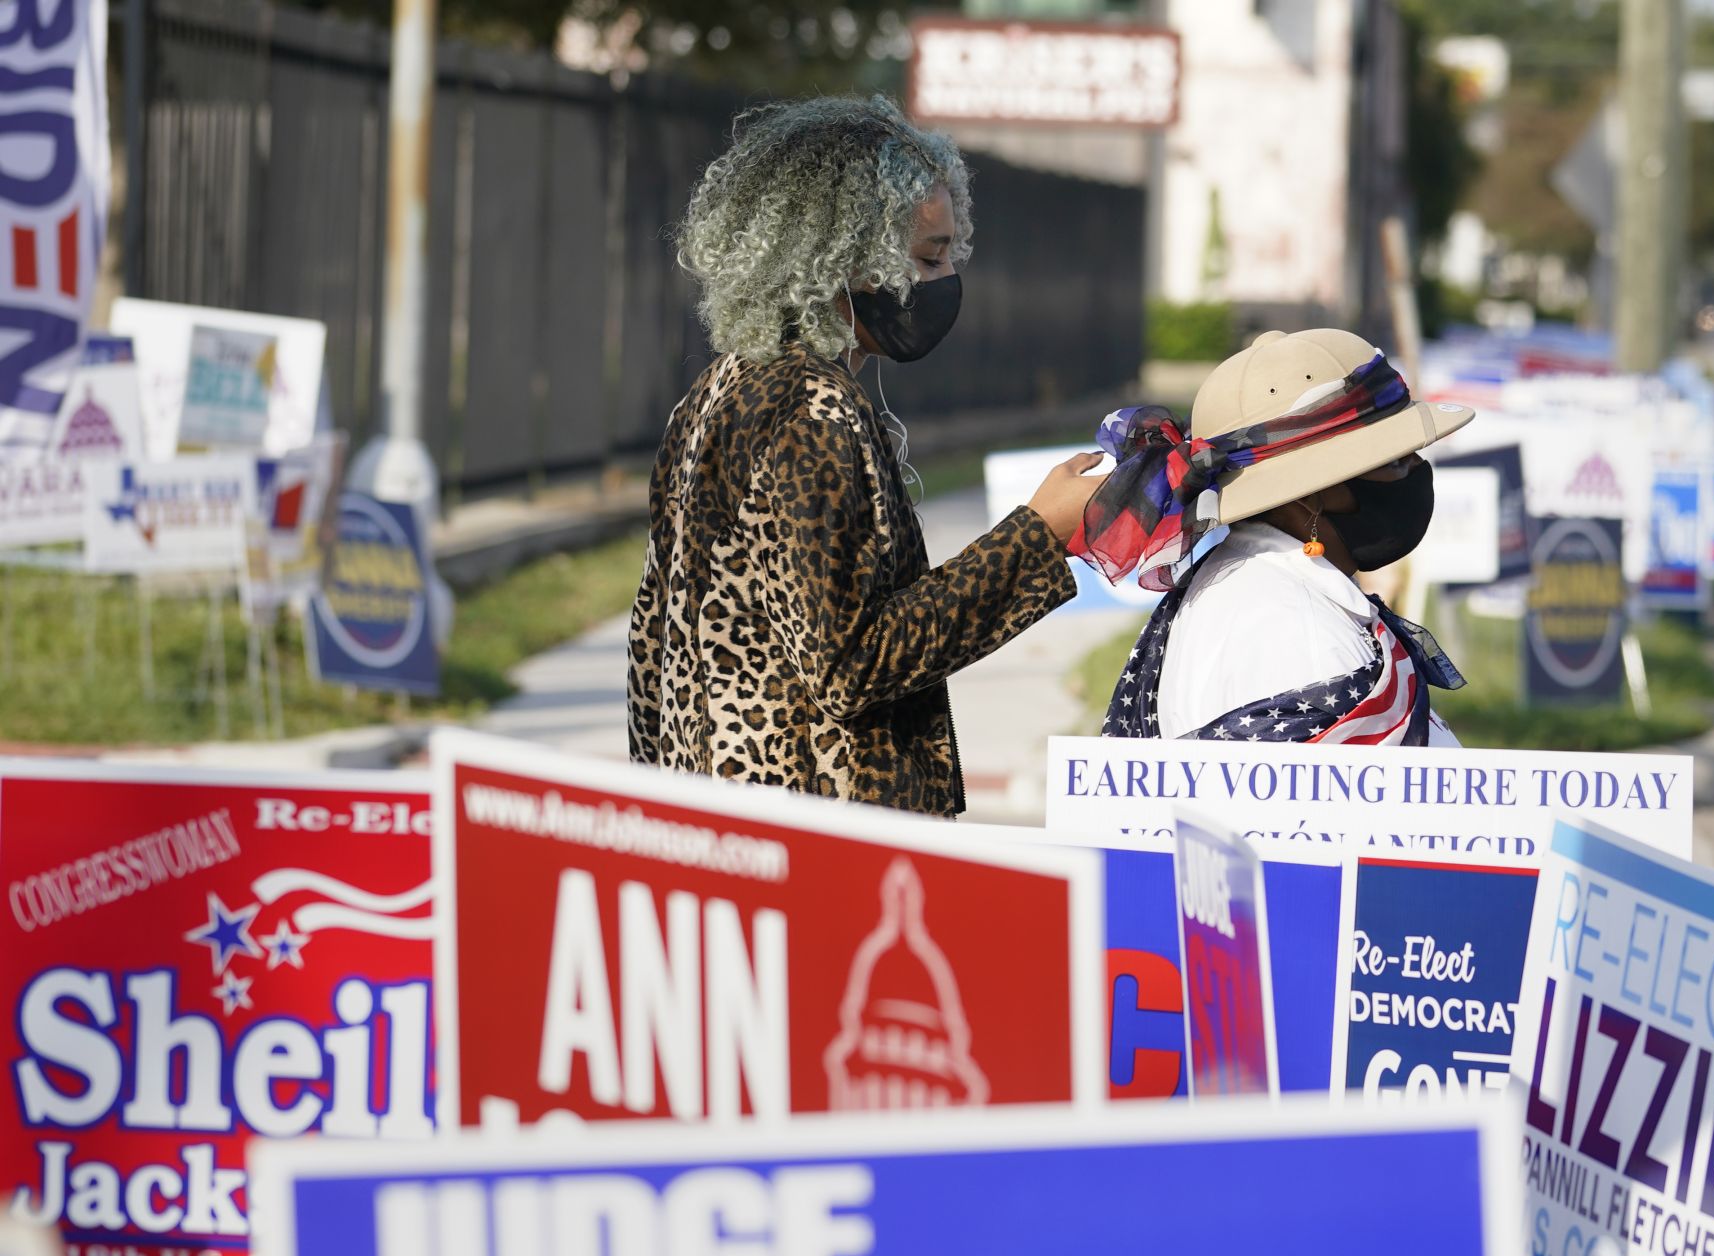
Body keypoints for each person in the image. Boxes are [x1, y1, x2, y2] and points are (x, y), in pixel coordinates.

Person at [628, 97, 1100, 815]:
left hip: (729, 828)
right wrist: (1038, 536)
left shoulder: (716, 392)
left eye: (950, 254)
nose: (945, 279)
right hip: (822, 842)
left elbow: (651, 646)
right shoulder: (811, 412)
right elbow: (852, 661)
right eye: (927, 256)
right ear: (840, 259)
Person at [1073, 328, 1474, 746]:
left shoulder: (1250, 584)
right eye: (1394, 461)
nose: (1415, 470)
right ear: (1314, 493)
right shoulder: (1309, 640)